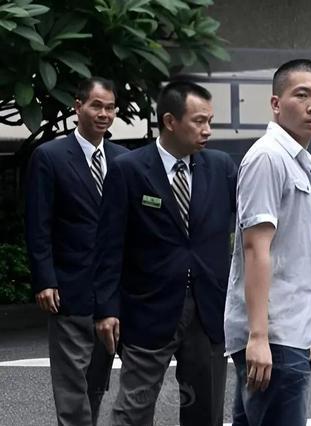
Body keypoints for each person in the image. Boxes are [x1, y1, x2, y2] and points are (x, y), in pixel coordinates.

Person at [93, 81, 237, 426]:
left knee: (205, 411)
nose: (207, 130)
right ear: (170, 121)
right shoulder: (129, 169)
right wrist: (106, 309)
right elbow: (109, 245)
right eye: (199, 121)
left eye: (210, 121)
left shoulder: (221, 167)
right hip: (148, 307)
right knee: (133, 409)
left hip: (208, 307)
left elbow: (248, 229)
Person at [224, 59, 311, 426]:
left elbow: (287, 242)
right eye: (302, 95)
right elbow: (256, 248)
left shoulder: (296, 159)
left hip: (289, 332)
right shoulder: (268, 157)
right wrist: (258, 336)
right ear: (275, 103)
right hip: (276, 335)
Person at [25, 77, 127, 426]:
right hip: (68, 288)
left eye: (110, 107)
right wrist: (44, 279)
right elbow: (38, 224)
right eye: (96, 105)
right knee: (71, 388)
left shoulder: (124, 160)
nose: (104, 114)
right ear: (78, 107)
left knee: (96, 383)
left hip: (113, 293)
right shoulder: (49, 157)